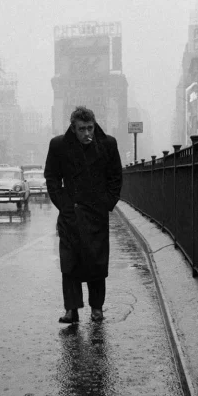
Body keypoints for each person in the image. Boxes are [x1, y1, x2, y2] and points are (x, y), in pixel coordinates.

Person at [44, 106, 123, 324]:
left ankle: (97, 308)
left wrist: (107, 203)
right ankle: (71, 309)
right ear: (73, 128)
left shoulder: (107, 144)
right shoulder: (59, 145)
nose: (87, 133)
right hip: (71, 214)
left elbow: (116, 176)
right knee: (70, 263)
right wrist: (63, 204)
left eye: (90, 128)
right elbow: (51, 177)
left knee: (97, 262)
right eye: (82, 129)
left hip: (96, 214)